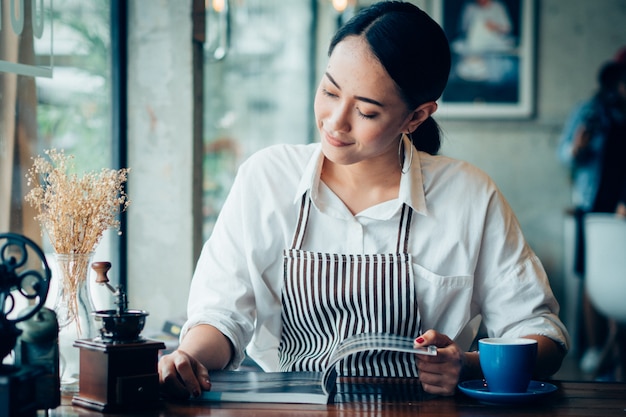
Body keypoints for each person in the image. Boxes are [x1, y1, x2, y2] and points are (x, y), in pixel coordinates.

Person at [159, 1, 569, 399]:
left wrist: (467, 363)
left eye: (367, 112)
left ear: (417, 117)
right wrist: (188, 357)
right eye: (330, 91)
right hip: (291, 409)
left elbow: (542, 335)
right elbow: (222, 316)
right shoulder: (266, 179)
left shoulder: (470, 196)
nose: (335, 122)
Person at [557, 56, 626, 374]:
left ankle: (614, 350)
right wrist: (577, 148)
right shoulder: (591, 111)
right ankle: (598, 349)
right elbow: (565, 153)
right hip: (595, 203)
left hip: (622, 206)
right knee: (594, 275)